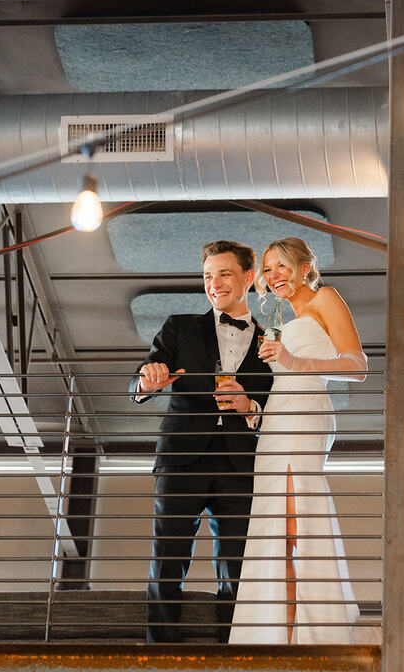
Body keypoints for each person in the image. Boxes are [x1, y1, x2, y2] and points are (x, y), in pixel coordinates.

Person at [131, 240, 272, 643]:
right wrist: (148, 381)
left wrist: (249, 406)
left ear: (248, 277)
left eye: (224, 274)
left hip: (240, 465)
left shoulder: (272, 341)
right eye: (208, 276)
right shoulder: (179, 326)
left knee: (237, 566)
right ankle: (160, 658)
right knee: (167, 559)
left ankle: (231, 654)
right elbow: (143, 376)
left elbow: (276, 406)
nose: (214, 283)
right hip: (181, 459)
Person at [229, 237, 367, 644]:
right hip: (276, 418)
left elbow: (357, 365)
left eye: (282, 266)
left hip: (306, 411)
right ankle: (280, 634)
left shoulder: (326, 298)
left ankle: (311, 633)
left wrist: (293, 361)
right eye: (268, 269)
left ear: (305, 267)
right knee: (275, 529)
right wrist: (251, 407)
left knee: (297, 522)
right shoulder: (280, 318)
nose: (274, 276)